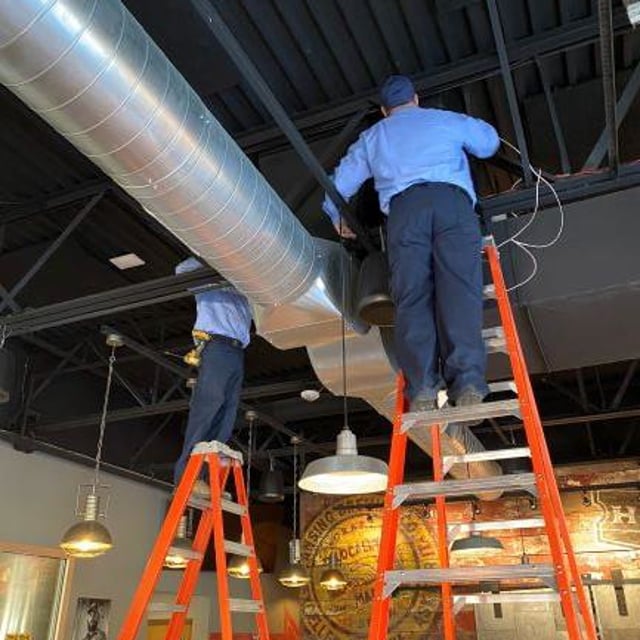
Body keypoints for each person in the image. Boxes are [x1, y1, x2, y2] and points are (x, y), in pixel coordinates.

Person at [323, 75, 499, 413]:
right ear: (415, 99)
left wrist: (335, 215)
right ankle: (468, 383)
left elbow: (340, 182)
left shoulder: (374, 136)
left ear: (385, 111)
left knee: (412, 297)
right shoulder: (444, 120)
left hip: (405, 213)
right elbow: (488, 142)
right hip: (453, 205)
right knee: (460, 291)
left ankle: (421, 389)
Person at [173, 257, 252, 496]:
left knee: (226, 414)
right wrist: (214, 256)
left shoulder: (245, 289)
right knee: (207, 409)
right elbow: (182, 269)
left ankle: (205, 480)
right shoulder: (208, 283)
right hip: (216, 345)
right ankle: (186, 477)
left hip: (237, 351)